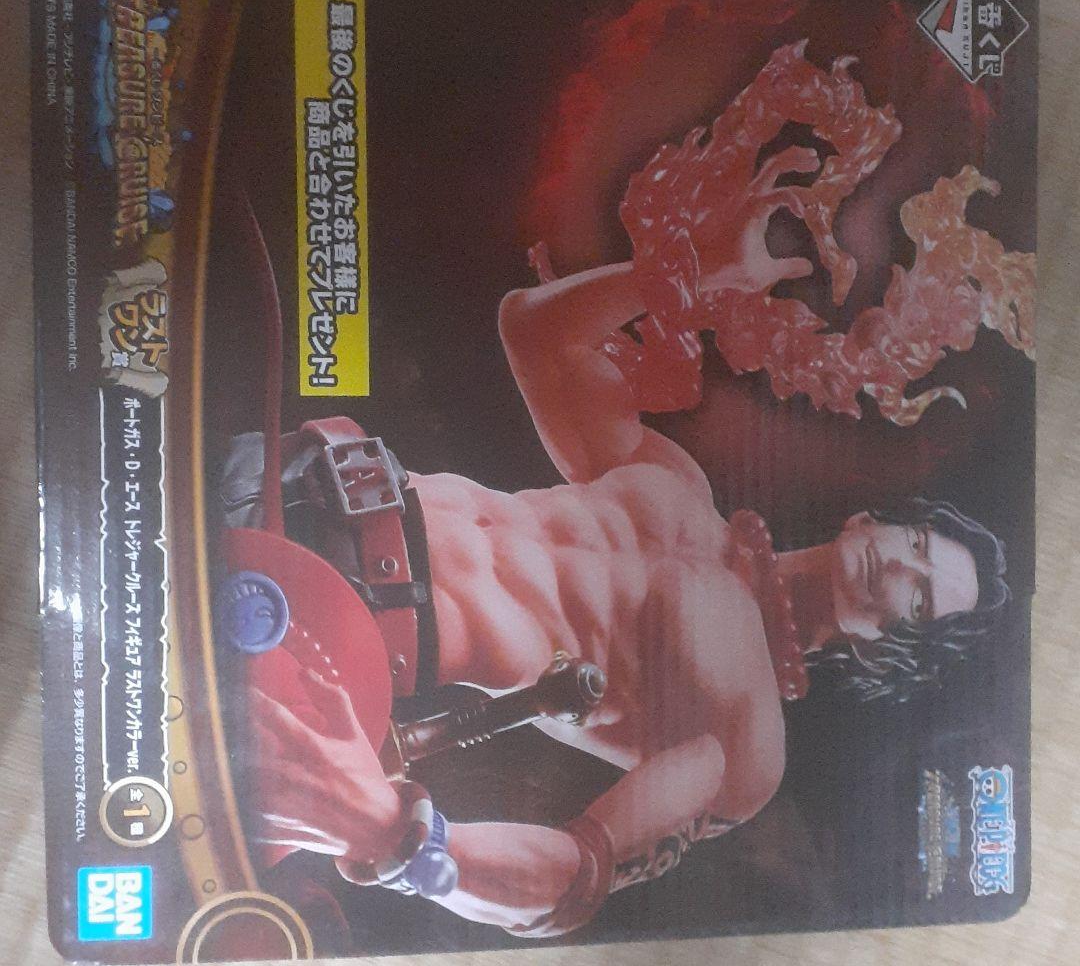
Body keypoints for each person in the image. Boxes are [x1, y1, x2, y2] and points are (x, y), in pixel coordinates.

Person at [249, 176, 1010, 936]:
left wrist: (393, 838)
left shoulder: (748, 739)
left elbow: (575, 877)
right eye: (917, 546)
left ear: (884, 646)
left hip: (327, 628)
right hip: (303, 473)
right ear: (871, 521)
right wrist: (694, 275)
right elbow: (537, 335)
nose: (901, 567)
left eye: (920, 597)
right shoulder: (679, 481)